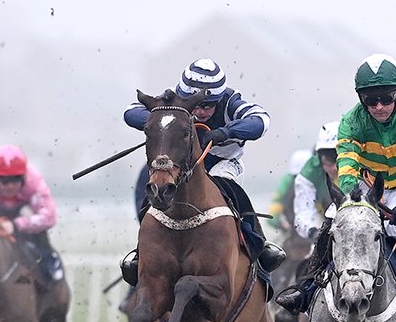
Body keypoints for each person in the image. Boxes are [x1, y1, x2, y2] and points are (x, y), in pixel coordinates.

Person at [277, 53, 396, 322]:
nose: (379, 106)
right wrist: (350, 195)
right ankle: (306, 288)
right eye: (371, 100)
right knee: (335, 220)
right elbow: (347, 163)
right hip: (367, 185)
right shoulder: (351, 122)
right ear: (361, 100)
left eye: (386, 98)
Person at [119, 58, 286, 284]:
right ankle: (142, 251)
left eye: (209, 105)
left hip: (221, 164)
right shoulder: (172, 100)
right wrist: (164, 120)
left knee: (226, 187)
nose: (201, 111)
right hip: (182, 167)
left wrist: (224, 133)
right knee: (153, 194)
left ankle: (258, 243)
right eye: (196, 105)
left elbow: (261, 121)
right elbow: (130, 112)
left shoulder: (230, 101)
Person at [0, 144, 63, 284]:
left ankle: (49, 263)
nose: (10, 186)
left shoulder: (35, 182)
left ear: (24, 176)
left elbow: (49, 217)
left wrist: (16, 225)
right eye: (4, 180)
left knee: (36, 229)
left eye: (16, 179)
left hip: (23, 214)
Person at [291, 121, 340, 241]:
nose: (334, 168)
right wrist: (313, 231)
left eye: (339, 159)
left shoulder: (363, 165)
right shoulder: (308, 174)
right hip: (324, 224)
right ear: (319, 156)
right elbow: (304, 212)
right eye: (328, 159)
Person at [267, 147, 312, 233]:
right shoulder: (287, 182)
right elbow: (272, 217)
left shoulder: (321, 181)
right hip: (292, 229)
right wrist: (282, 224)